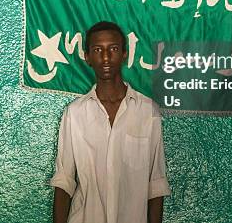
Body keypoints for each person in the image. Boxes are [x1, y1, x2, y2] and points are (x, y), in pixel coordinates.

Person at [50, 21, 171, 223]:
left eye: (113, 49)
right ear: (87, 57)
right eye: (97, 50)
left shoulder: (147, 111)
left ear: (124, 54)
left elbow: (156, 184)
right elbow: (64, 181)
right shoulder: (75, 114)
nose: (105, 57)